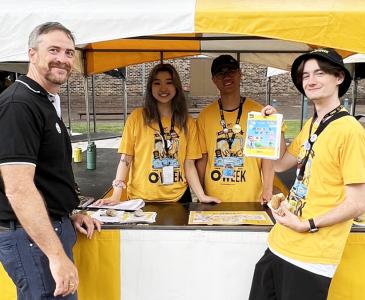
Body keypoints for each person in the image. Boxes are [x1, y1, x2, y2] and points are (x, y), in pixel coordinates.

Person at [249, 48, 365, 300]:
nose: (311, 80)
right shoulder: (313, 123)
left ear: (339, 78)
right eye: (305, 75)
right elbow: (280, 163)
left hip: (312, 256)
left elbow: (357, 204)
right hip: (279, 243)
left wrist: (307, 224)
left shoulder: (350, 131)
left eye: (320, 73)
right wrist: (274, 127)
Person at [0, 22, 101, 299]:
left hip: (45, 232)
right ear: (32, 54)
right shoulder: (19, 105)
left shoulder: (41, 100)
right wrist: (56, 256)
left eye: (69, 53)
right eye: (54, 50)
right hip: (32, 240)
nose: (63, 59)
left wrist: (67, 213)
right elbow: (18, 188)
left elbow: (45, 176)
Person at [95, 63, 219, 205]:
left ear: (176, 87)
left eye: (169, 82)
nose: (163, 88)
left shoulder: (188, 122)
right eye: (157, 83)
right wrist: (116, 194)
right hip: (140, 199)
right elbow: (126, 159)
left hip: (178, 199)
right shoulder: (137, 117)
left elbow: (189, 164)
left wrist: (201, 196)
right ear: (150, 88)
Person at [196, 54, 274, 202]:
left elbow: (267, 156)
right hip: (215, 198)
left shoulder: (259, 113)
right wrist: (201, 194)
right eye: (220, 73)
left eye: (231, 71)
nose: (226, 76)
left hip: (251, 198)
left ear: (240, 74)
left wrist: (268, 190)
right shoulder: (205, 116)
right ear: (214, 80)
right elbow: (202, 158)